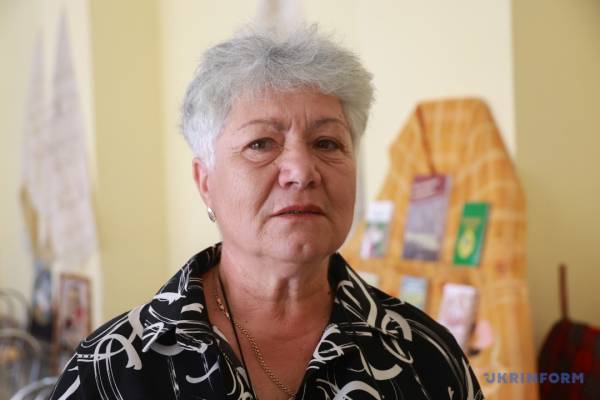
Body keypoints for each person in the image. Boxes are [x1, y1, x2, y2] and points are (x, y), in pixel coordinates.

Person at [51, 25, 484, 400]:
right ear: (205, 182)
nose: (302, 171)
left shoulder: (425, 356)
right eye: (261, 144)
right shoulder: (111, 368)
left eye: (327, 143)